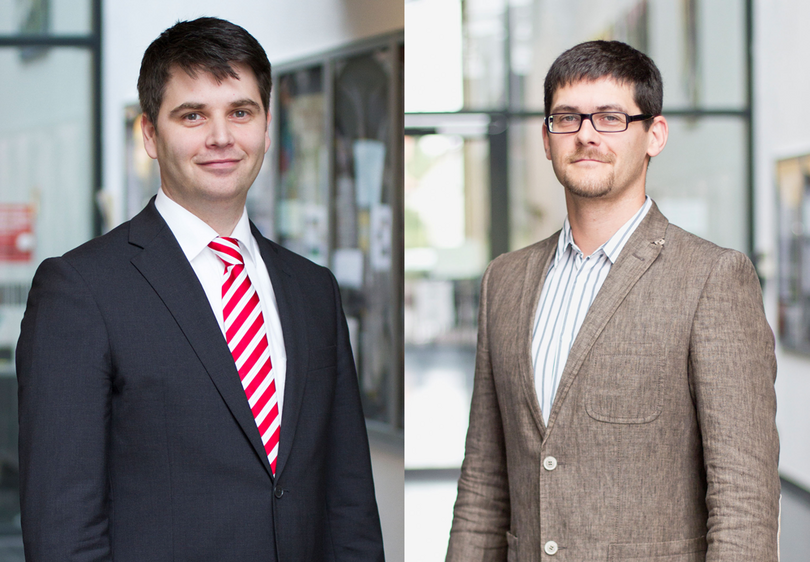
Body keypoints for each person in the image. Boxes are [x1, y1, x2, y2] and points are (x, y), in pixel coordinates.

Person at [17, 17, 384, 562]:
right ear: (149, 133)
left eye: (241, 111)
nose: (221, 137)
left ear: (265, 125)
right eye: (193, 115)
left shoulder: (313, 290)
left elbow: (349, 503)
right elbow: (62, 529)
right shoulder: (81, 290)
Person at [446, 40, 779, 562]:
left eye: (609, 117)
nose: (585, 135)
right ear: (546, 137)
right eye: (567, 118)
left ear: (654, 135)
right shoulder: (503, 281)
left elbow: (744, 500)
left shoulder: (713, 278)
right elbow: (484, 485)